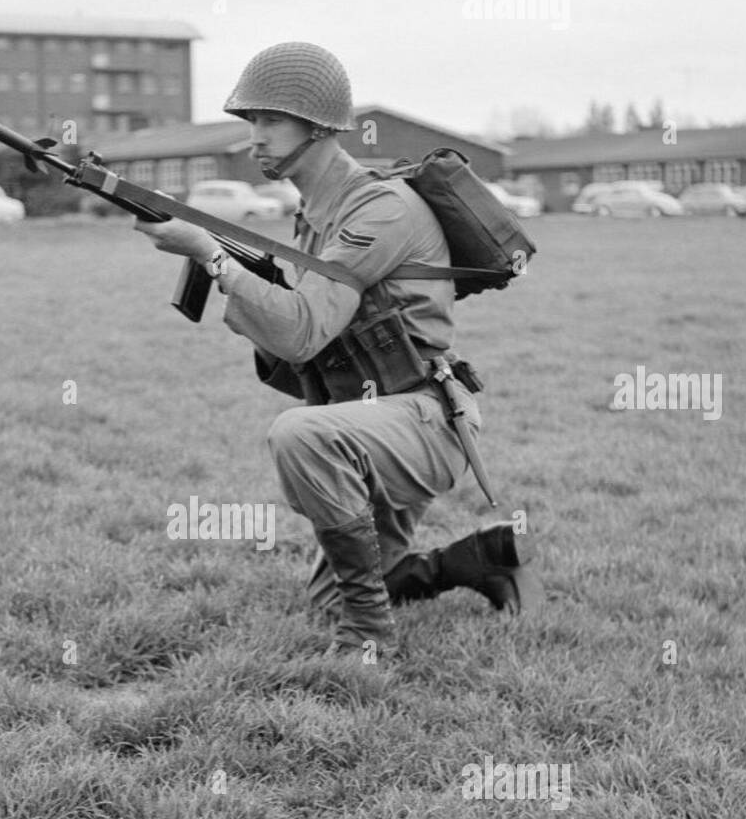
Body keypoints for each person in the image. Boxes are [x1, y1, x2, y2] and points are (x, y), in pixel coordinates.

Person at [134, 42, 540, 657]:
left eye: (270, 120)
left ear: (319, 126)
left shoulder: (377, 209)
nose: (255, 137)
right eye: (251, 121)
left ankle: (368, 636)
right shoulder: (317, 211)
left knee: (300, 434)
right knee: (328, 599)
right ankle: (487, 557)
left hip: (421, 424)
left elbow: (301, 330)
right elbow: (296, 345)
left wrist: (209, 253)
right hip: (369, 420)